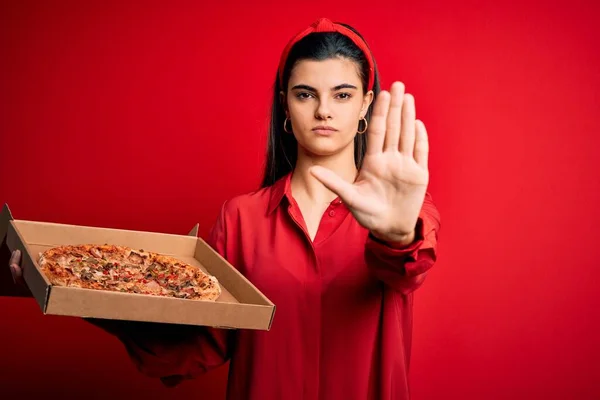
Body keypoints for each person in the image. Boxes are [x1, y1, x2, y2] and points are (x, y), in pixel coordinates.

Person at [8, 17, 441, 400]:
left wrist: (398, 235)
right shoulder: (241, 218)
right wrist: (67, 291)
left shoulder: (402, 211)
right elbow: (197, 348)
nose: (324, 110)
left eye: (342, 95)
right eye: (306, 94)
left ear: (366, 104)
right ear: (285, 105)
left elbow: (406, 265)